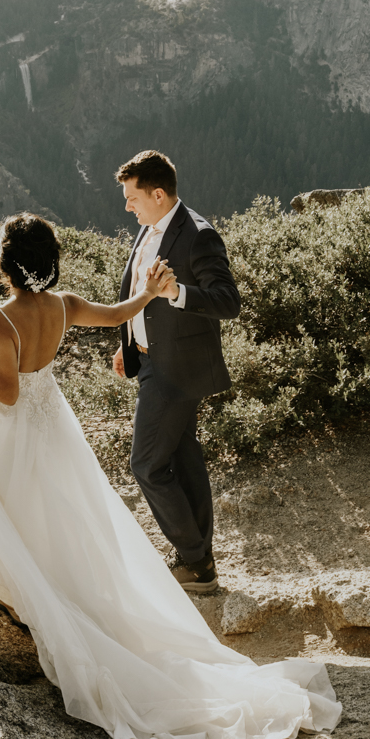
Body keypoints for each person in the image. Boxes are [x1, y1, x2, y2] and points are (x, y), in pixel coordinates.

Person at [0, 211, 340, 739]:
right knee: (66, 519)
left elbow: (6, 394)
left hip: (22, 433)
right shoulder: (61, 305)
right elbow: (117, 314)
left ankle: (36, 602)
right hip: (57, 433)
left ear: (6, 264)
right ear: (48, 262)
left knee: (18, 512)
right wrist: (146, 292)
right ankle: (49, 595)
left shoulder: (1, 322)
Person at [111, 149, 240, 595]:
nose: (128, 206)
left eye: (133, 198)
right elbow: (137, 289)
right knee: (184, 458)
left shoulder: (198, 236)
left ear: (159, 194)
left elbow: (227, 301)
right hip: (151, 360)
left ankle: (194, 559)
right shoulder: (150, 228)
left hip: (177, 369)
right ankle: (201, 564)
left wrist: (179, 292)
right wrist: (129, 342)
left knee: (146, 464)